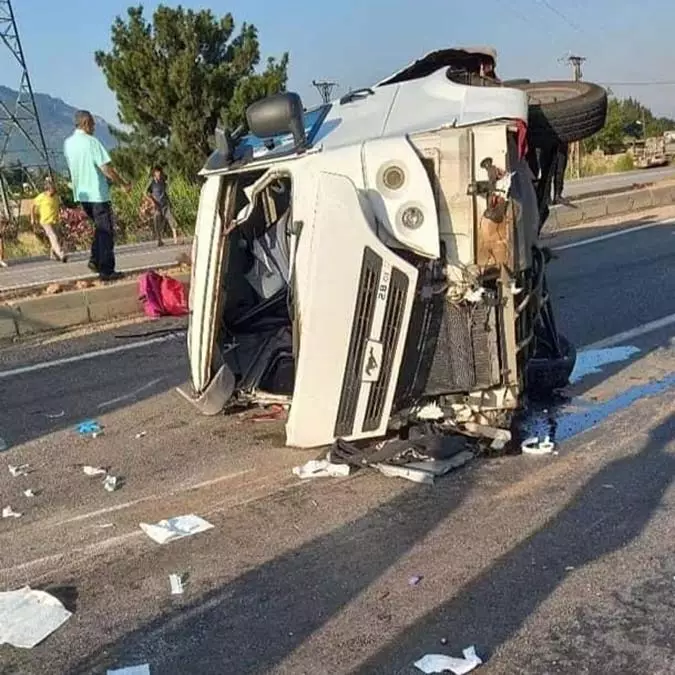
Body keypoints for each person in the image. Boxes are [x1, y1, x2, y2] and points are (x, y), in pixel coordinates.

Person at [63, 110, 131, 281]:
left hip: (82, 195)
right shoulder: (92, 142)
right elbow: (105, 168)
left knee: (100, 230)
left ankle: (95, 259)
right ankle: (107, 270)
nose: (94, 128)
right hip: (97, 194)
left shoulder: (68, 143)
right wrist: (123, 184)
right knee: (106, 232)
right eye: (92, 124)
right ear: (86, 123)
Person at [31, 178, 68, 262]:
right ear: (48, 189)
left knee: (57, 237)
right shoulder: (41, 197)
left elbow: (59, 207)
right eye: (52, 189)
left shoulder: (56, 197)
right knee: (53, 236)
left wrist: (62, 214)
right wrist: (32, 218)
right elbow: (32, 206)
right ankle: (61, 254)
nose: (54, 190)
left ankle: (53, 254)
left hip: (55, 220)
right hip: (45, 221)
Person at [144, 165, 179, 247]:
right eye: (157, 172)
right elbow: (146, 193)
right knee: (157, 222)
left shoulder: (163, 181)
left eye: (160, 172)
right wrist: (152, 202)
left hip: (165, 204)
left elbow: (166, 191)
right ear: (154, 173)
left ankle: (176, 239)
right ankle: (159, 241)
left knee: (171, 219)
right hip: (157, 206)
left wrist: (169, 202)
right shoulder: (152, 182)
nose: (159, 174)